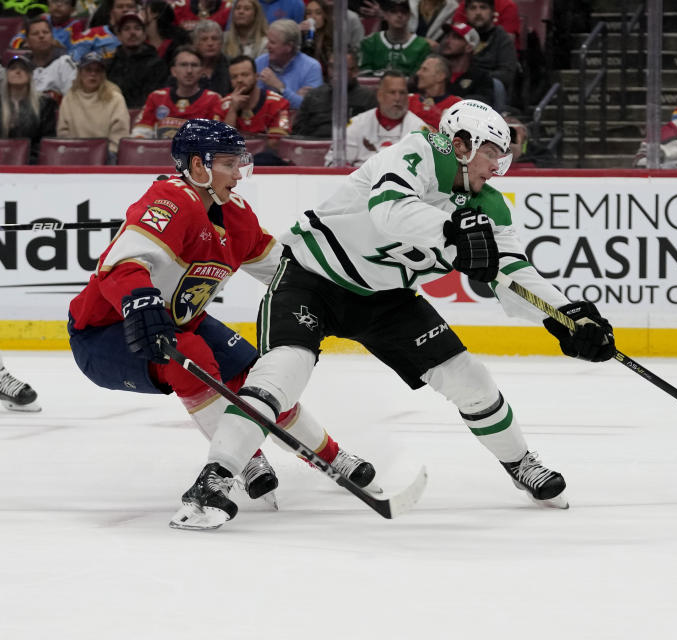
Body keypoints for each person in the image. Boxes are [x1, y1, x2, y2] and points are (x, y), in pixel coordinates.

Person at [175, 99, 612, 529]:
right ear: (461, 144)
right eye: (491, 154)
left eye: (503, 157)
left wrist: (569, 316)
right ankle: (213, 480)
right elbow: (389, 211)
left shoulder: (489, 208)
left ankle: (520, 464)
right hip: (312, 277)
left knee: (469, 378)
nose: (497, 168)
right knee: (281, 375)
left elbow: (513, 272)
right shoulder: (417, 152)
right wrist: (453, 235)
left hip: (386, 299)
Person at [68, 119, 377, 529]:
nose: (238, 173)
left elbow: (283, 271)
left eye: (239, 163)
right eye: (229, 163)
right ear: (198, 167)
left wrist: (340, 295)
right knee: (190, 355)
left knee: (257, 376)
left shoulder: (237, 216)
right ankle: (233, 466)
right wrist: (140, 298)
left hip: (180, 321)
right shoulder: (169, 202)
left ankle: (329, 455)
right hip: (106, 335)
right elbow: (120, 267)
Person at [325, 69, 428, 166]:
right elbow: (332, 164)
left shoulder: (419, 129)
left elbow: (428, 170)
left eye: (402, 93)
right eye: (392, 93)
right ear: (379, 95)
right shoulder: (357, 124)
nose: (398, 98)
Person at [132, 46, 222, 138]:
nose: (189, 71)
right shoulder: (156, 97)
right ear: (173, 71)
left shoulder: (213, 99)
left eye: (194, 65)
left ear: (202, 71)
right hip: (159, 151)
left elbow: (216, 138)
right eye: (183, 65)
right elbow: (140, 134)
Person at [56, 51, 130, 161]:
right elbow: (63, 131)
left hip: (108, 156)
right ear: (80, 73)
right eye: (88, 70)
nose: (93, 74)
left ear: (103, 75)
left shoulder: (115, 98)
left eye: (98, 71)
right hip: (75, 154)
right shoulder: (69, 98)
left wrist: (107, 153)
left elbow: (119, 133)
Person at [292, 50, 377, 138]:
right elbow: (297, 134)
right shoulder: (313, 96)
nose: (335, 73)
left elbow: (373, 135)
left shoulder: (368, 98)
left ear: (355, 71)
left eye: (341, 68)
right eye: (332, 67)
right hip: (315, 147)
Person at [254, 19, 324, 110]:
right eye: (268, 41)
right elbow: (254, 103)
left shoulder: (311, 67)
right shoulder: (259, 62)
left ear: (289, 47)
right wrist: (294, 97)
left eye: (272, 42)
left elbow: (311, 107)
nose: (267, 46)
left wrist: (280, 88)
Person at [0, 56, 58, 163]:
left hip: (32, 163)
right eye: (13, 68)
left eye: (23, 69)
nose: (18, 71)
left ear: (30, 75)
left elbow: (46, 141)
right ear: (6, 74)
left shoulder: (45, 104)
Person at [215, 54, 291, 135]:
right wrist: (232, 110)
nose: (239, 80)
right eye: (234, 77)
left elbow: (277, 143)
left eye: (245, 75)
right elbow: (221, 143)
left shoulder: (279, 104)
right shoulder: (222, 106)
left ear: (256, 77)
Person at [107, 11, 169, 108]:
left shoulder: (157, 64)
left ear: (144, 34)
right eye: (126, 29)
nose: (132, 33)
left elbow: (155, 99)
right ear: (118, 36)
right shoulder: (110, 64)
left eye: (137, 28)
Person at [463, 0, 517, 111]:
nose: (478, 12)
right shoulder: (459, 36)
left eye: (483, 7)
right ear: (466, 13)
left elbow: (507, 74)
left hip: (488, 92)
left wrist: (479, 77)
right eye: (473, 8)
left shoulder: (502, 38)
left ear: (493, 12)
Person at [358, 0, 432, 76]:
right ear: (385, 15)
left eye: (404, 12)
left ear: (409, 15)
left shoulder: (422, 46)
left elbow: (418, 80)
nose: (399, 15)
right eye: (393, 11)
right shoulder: (370, 42)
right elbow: (364, 76)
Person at [21, 16, 77, 101]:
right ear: (27, 42)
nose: (41, 36)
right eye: (35, 33)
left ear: (52, 38)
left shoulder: (65, 62)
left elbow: (72, 100)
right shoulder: (22, 65)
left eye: (46, 32)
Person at [441, 22, 496, 107]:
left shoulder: (481, 77)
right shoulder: (436, 72)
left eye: (456, 37)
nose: (447, 41)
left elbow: (483, 103)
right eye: (448, 36)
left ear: (469, 47)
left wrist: (455, 101)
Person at [9, 0, 88, 54]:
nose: (58, 5)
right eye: (55, 1)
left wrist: (59, 46)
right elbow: (15, 40)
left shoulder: (75, 25)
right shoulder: (42, 19)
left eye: (65, 2)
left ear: (73, 10)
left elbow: (77, 53)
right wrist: (24, 44)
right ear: (48, 4)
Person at [408, 53, 461, 129]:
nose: (418, 73)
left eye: (424, 69)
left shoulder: (456, 106)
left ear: (440, 76)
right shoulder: (408, 100)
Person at [191, 19, 231, 95]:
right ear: (195, 44)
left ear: (221, 43)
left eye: (214, 39)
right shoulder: (187, 66)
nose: (210, 43)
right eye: (204, 39)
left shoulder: (232, 65)